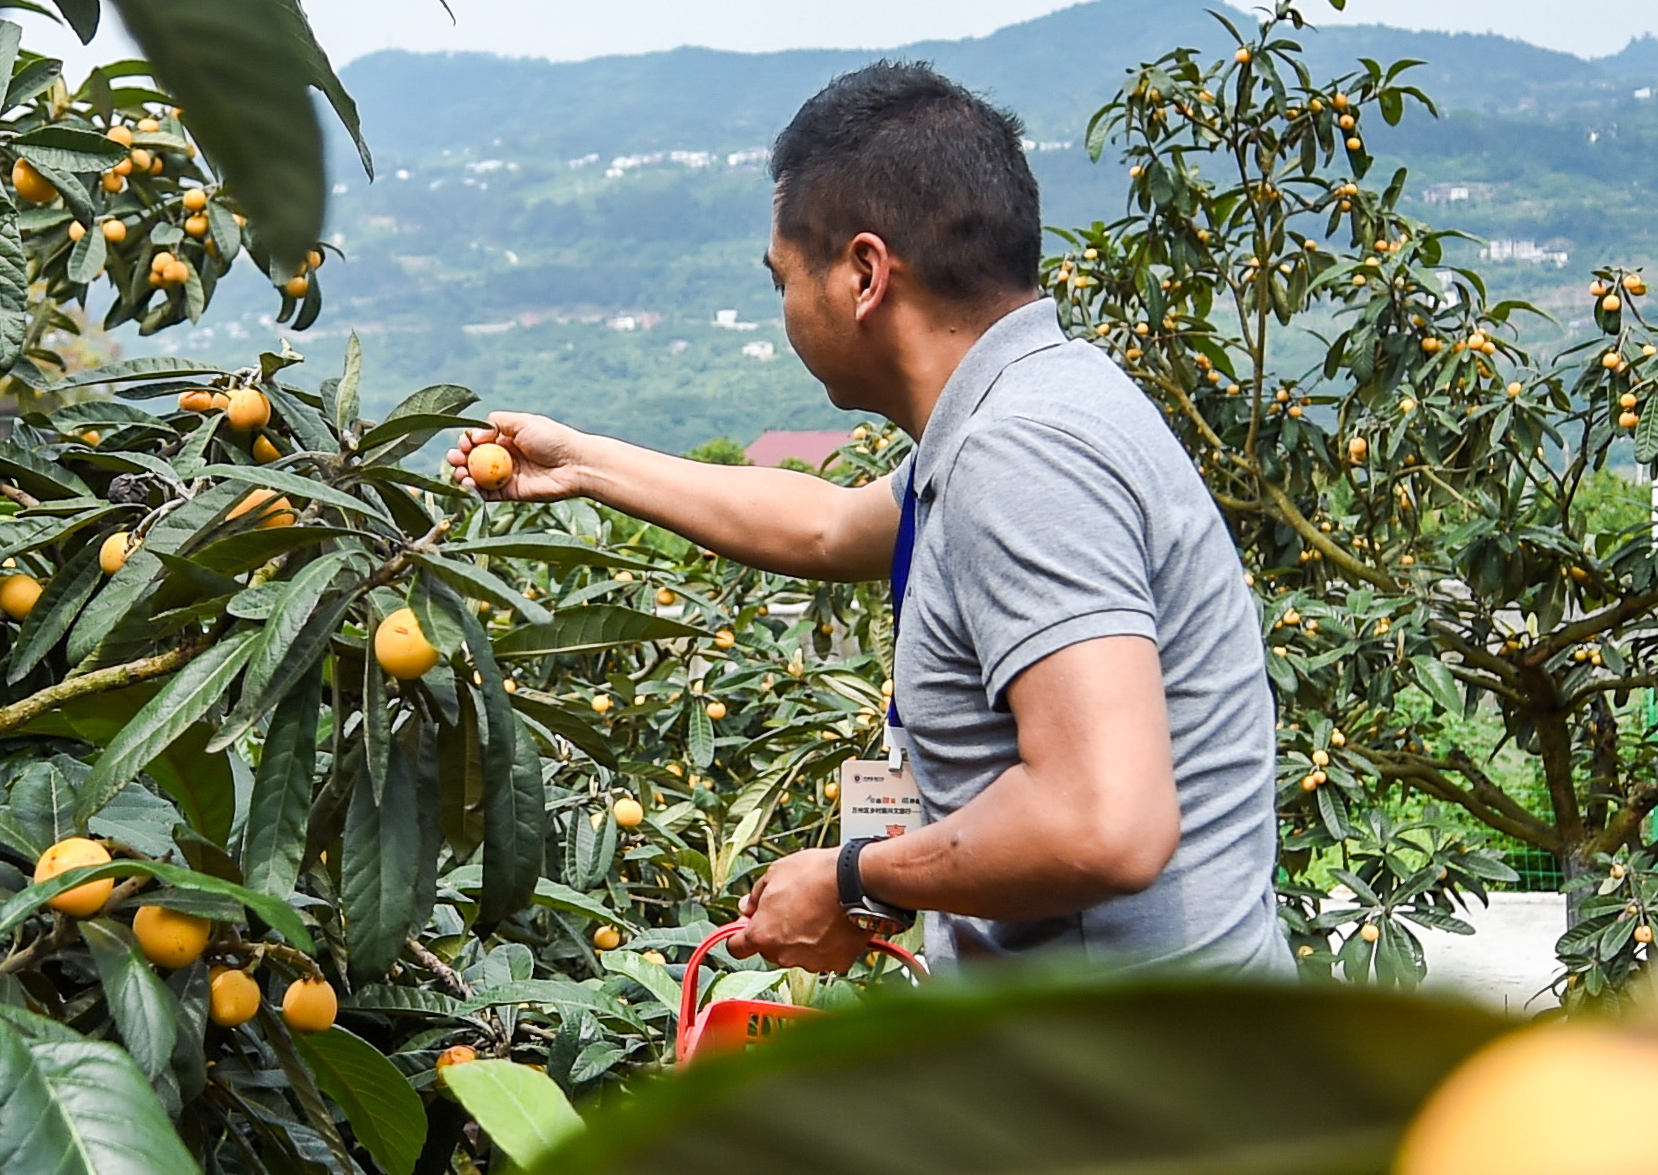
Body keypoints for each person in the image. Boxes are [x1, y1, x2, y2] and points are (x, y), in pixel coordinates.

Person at [451, 61, 1286, 973]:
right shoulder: (1024, 403)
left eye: (782, 280)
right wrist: (582, 463)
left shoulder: (1020, 454)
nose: (785, 307)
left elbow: (1105, 823)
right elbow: (825, 527)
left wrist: (858, 877)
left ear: (862, 274)